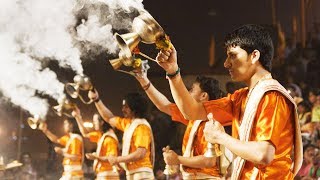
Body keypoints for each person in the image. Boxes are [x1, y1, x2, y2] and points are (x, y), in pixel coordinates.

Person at [155, 24, 303, 179]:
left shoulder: (272, 96)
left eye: (233, 55)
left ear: (254, 56)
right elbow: (192, 111)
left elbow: (263, 154)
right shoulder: (241, 98)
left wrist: (220, 137)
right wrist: (173, 71)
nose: (226, 64)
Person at [134, 66, 228, 179]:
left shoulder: (212, 123)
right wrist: (143, 80)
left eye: (192, 90)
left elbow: (209, 161)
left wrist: (177, 159)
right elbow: (164, 105)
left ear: (203, 96)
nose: (188, 93)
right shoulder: (192, 118)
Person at [88, 90, 155, 180]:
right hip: (133, 173)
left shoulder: (141, 127)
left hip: (142, 174)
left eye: (126, 107)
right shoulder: (128, 124)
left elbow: (140, 153)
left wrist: (117, 159)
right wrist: (97, 100)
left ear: (135, 108)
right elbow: (109, 118)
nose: (123, 110)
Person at [72, 108, 119, 180]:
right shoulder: (101, 135)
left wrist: (96, 157)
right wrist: (78, 117)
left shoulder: (109, 139)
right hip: (103, 174)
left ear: (101, 122)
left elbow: (112, 158)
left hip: (108, 175)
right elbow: (85, 133)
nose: (94, 123)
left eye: (95, 121)